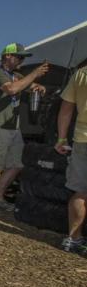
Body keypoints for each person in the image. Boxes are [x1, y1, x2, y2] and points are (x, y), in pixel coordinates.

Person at [0, 43, 48, 213]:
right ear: (8, 56)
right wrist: (34, 74)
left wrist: (38, 87)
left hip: (13, 128)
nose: (22, 61)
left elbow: (28, 86)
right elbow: (11, 89)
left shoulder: (16, 75)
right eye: (19, 57)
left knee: (17, 164)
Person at [55, 65, 87, 253]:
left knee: (80, 191)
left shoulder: (82, 73)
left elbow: (66, 108)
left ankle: (73, 238)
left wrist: (61, 138)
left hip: (83, 139)